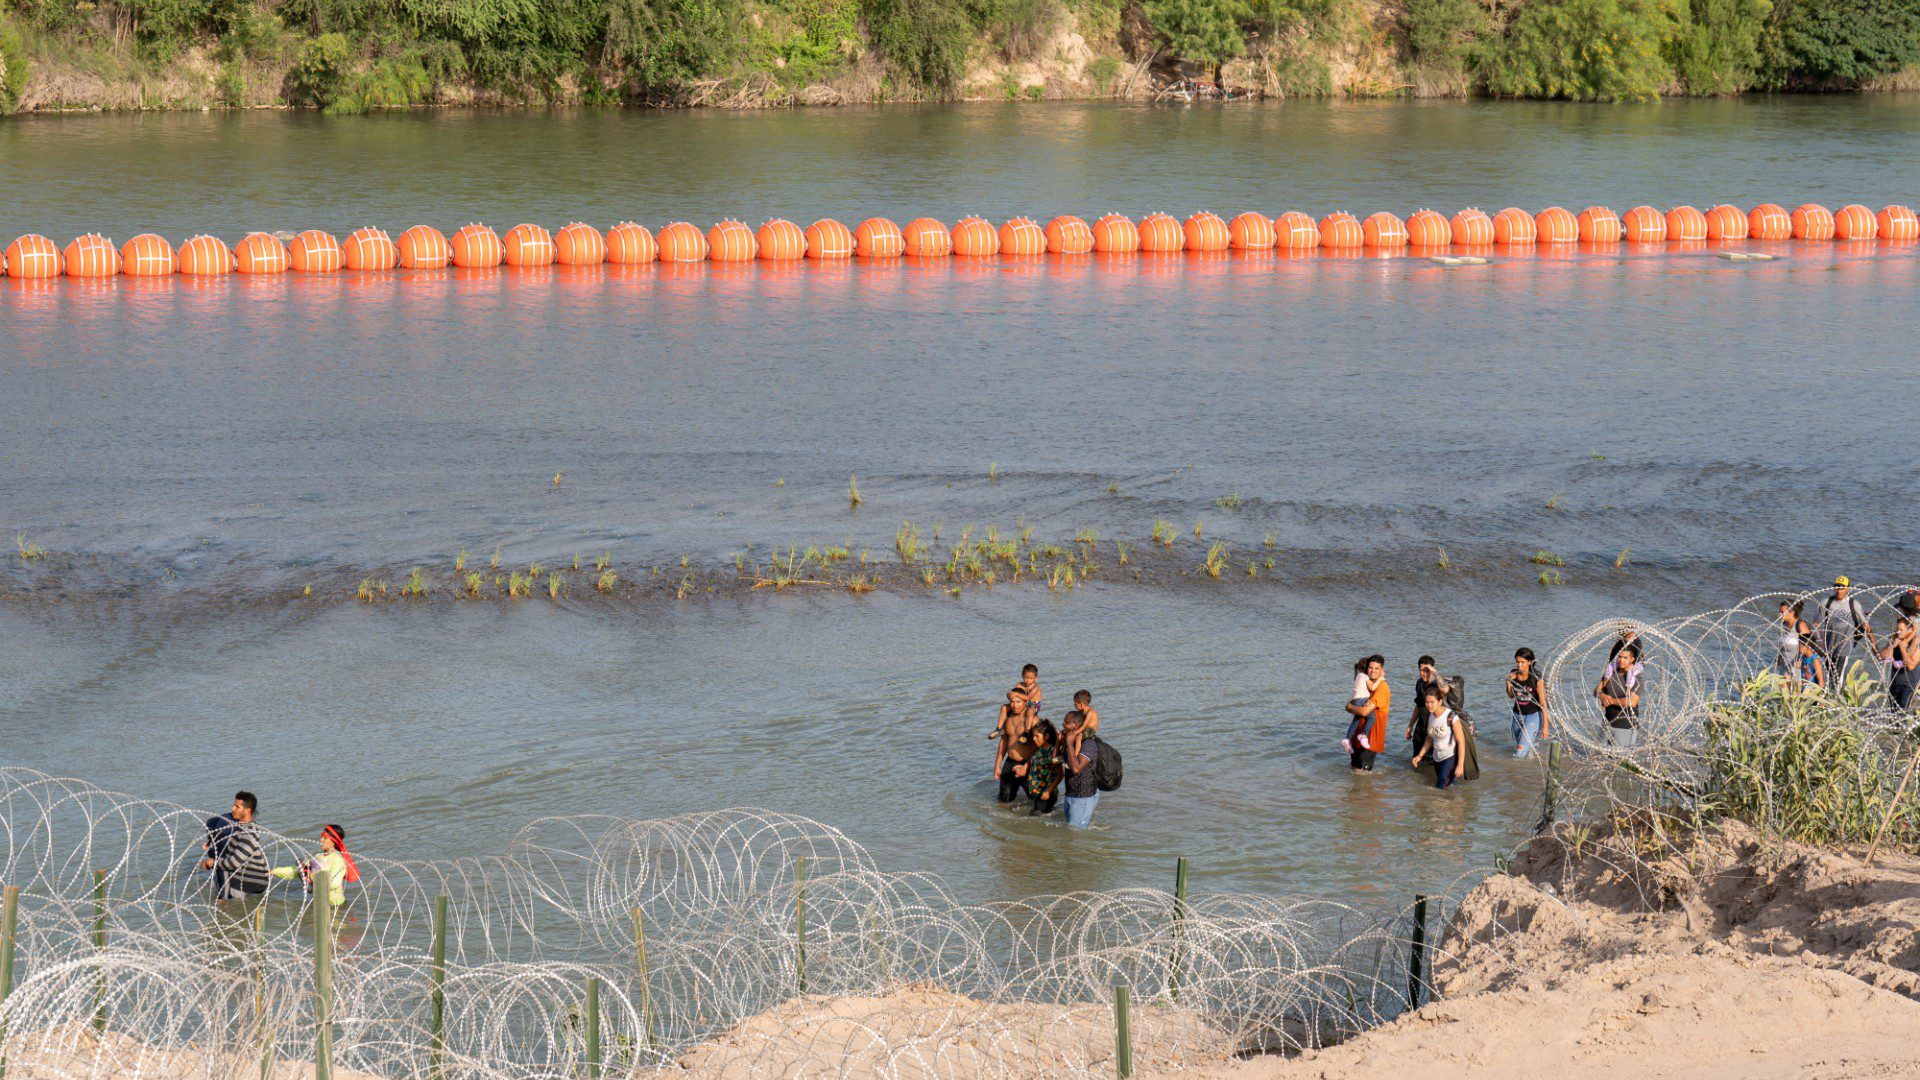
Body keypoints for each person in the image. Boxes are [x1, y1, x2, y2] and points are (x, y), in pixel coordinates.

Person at [201, 791, 268, 902]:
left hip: (252, 881)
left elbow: (233, 863)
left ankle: (223, 902)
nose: (233, 809)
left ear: (247, 810)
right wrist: (211, 846)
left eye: (237, 807)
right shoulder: (238, 827)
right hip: (247, 877)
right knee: (218, 867)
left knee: (219, 866)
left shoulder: (249, 833)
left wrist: (212, 863)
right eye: (234, 805)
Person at [271, 823, 360, 906]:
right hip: (320, 904)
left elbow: (334, 883)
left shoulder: (337, 859)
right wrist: (274, 871)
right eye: (321, 837)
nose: (321, 840)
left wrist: (311, 876)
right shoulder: (318, 856)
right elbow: (297, 870)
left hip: (336, 906)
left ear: (333, 841)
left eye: (325, 838)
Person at [1817, 577, 1877, 682]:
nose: (1839, 590)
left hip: (1845, 647)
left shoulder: (1853, 604)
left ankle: (1836, 696)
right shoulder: (1826, 603)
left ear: (1848, 589)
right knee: (1826, 676)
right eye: (1837, 587)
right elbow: (1816, 624)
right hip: (1828, 646)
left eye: (1842, 588)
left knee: (1837, 677)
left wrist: (1874, 645)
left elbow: (1865, 625)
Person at [1409, 688, 1468, 789]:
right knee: (1444, 787)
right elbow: (1429, 738)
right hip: (1437, 758)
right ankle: (1455, 802)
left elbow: (1461, 741)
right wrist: (1419, 756)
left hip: (1450, 757)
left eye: (1432, 702)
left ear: (1440, 702)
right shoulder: (1431, 716)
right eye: (1427, 702)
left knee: (1440, 787)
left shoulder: (1451, 717)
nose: (1429, 705)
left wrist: (1460, 765)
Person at [1596, 642, 1645, 749]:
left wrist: (1610, 700)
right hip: (1607, 722)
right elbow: (1597, 689)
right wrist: (1602, 696)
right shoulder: (1611, 673)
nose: (1621, 660)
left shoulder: (1637, 679)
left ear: (1632, 659)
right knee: (1598, 755)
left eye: (1625, 657)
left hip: (1625, 725)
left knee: (1621, 759)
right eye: (1619, 656)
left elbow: (1631, 702)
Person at [1346, 655, 1389, 773]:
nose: (1373, 671)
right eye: (1370, 667)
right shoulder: (1366, 683)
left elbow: (1364, 711)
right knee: (1354, 770)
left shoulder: (1382, 687)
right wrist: (1350, 707)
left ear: (1382, 671)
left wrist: (1350, 707)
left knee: (1362, 773)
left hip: (1370, 738)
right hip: (1358, 735)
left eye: (1376, 668)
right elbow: (1352, 705)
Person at [1505, 648, 1549, 758]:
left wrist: (1545, 727)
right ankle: (1528, 768)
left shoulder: (1536, 679)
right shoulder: (1513, 676)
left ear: (1529, 662)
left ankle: (1517, 774)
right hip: (1517, 717)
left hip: (1533, 718)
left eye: (1522, 662)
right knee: (1520, 748)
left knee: (1520, 753)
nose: (1519, 665)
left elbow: (1543, 704)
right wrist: (1508, 682)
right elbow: (1511, 695)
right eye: (1517, 662)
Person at [994, 697, 1039, 803]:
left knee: (1036, 799)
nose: (1014, 705)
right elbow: (1003, 742)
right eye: (1012, 702)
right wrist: (997, 766)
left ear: (1025, 702)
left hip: (1027, 763)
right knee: (1004, 800)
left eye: (1018, 702)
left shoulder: (1033, 720)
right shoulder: (1008, 717)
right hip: (1009, 763)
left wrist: (1027, 765)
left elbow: (1040, 746)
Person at [1061, 710, 1100, 826]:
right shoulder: (1069, 740)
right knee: (1072, 830)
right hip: (1070, 794)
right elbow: (1055, 760)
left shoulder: (1088, 744)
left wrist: (1069, 744)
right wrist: (1060, 743)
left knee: (1075, 833)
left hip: (1083, 796)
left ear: (1076, 725)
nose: (1063, 723)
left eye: (1067, 722)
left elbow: (1076, 769)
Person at [1023, 719, 1061, 815]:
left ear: (1046, 736)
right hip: (1038, 793)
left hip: (1047, 794)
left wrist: (1048, 791)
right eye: (1033, 736)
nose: (1034, 739)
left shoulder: (1052, 753)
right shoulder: (1040, 749)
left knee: (1034, 820)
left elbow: (1061, 774)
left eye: (1037, 736)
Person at [1879, 616, 1919, 709]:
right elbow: (1884, 657)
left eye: (1901, 630)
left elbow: (1911, 665)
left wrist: (1903, 648)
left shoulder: (1916, 642)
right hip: (1894, 682)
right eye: (1897, 629)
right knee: (1892, 715)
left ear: (1910, 630)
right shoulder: (1895, 639)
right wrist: (1891, 645)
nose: (1898, 632)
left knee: (1902, 715)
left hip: (1909, 685)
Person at [1342, 658, 1379, 754]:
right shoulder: (1366, 677)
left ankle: (1347, 739)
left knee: (1356, 719)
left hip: (1353, 700)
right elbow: (1373, 687)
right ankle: (1364, 735)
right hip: (1361, 699)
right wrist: (1380, 679)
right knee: (1372, 718)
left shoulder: (1358, 676)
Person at [1775, 601, 1812, 677]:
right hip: (1784, 664)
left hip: (1796, 665)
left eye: (1782, 612)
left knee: (1795, 687)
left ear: (1791, 612)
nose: (1779, 614)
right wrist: (1778, 658)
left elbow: (1808, 647)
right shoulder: (1784, 624)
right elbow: (1783, 644)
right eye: (1779, 612)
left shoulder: (1800, 625)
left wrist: (1802, 662)